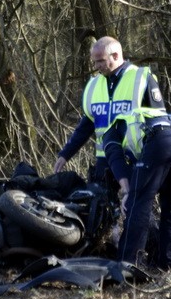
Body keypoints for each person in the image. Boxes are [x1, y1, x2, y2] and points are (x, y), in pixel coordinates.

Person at [53, 36, 164, 189]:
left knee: (133, 209)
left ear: (116, 56)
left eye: (100, 61)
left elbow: (160, 125)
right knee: (100, 209)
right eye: (94, 62)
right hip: (104, 161)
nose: (96, 66)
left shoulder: (141, 79)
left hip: (134, 159)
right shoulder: (93, 85)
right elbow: (86, 125)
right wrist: (65, 154)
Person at [102, 106, 171, 270]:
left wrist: (127, 191)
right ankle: (169, 264)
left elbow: (116, 160)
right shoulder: (141, 117)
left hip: (160, 141)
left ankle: (127, 265)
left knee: (139, 202)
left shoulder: (111, 131)